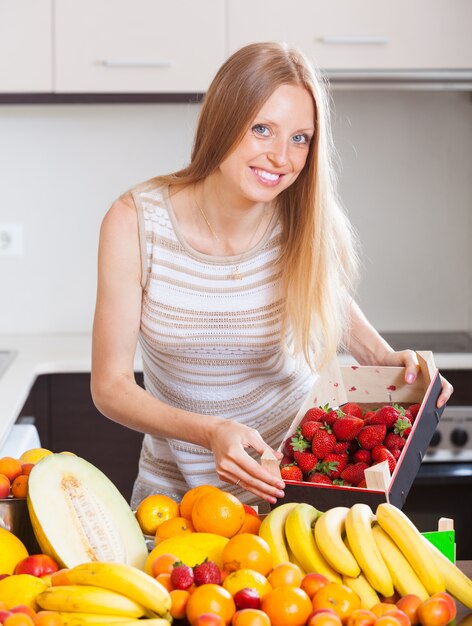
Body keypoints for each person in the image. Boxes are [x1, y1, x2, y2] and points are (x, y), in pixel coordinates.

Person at [91, 42, 453, 509]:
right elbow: (110, 386)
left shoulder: (301, 219)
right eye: (263, 129)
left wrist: (389, 360)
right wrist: (209, 431)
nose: (282, 158)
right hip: (179, 500)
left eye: (300, 138)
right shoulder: (135, 222)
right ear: (223, 122)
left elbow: (326, 297)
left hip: (300, 491)